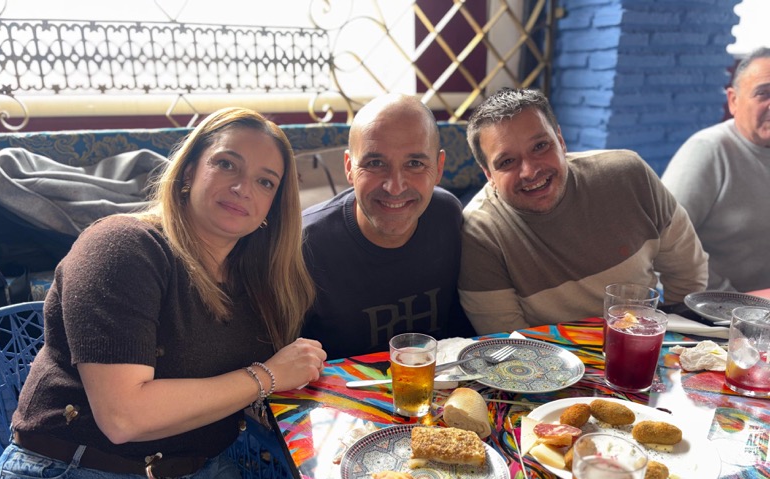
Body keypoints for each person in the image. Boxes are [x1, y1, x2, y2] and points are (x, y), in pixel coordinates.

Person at [0, 107, 327, 479]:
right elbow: (125, 416)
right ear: (188, 172)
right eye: (226, 163)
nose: (242, 187)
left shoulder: (259, 281)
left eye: (265, 181)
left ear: (273, 205)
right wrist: (266, 375)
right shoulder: (122, 246)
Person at [459, 87, 708, 334]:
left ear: (561, 141)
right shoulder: (481, 232)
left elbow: (687, 274)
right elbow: (508, 339)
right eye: (507, 162)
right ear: (488, 174)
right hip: (546, 357)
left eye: (540, 146)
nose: (530, 171)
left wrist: (667, 341)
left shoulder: (629, 176)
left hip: (641, 344)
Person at [301, 94, 471, 359]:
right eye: (375, 163)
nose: (395, 187)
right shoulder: (304, 244)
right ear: (349, 167)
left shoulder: (447, 216)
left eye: (415, 164)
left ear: (438, 168)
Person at [662, 47, 770, 292]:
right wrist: (736, 303)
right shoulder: (708, 149)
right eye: (763, 93)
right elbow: (664, 245)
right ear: (733, 100)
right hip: (713, 307)